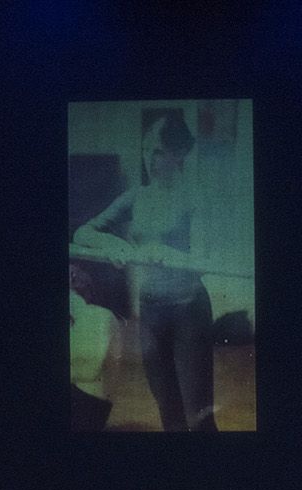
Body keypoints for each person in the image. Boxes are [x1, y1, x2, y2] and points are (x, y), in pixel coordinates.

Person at [73, 112, 218, 432]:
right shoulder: (136, 196)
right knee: (168, 410)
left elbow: (205, 260)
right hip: (152, 314)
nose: (149, 158)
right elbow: (83, 232)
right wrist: (109, 244)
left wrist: (164, 252)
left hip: (188, 311)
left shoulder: (195, 195)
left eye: (157, 150)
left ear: (178, 153)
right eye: (145, 149)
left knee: (199, 415)